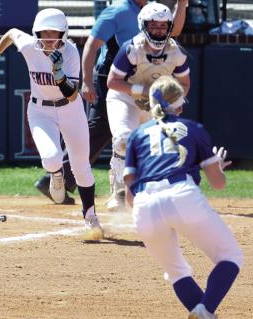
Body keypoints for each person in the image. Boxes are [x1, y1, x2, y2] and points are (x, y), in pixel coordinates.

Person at [33, 0, 188, 207]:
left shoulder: (151, 12)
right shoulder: (116, 11)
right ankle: (59, 177)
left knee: (112, 134)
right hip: (112, 78)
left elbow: (173, 31)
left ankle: (69, 179)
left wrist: (182, 4)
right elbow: (92, 45)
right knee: (99, 130)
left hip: (139, 80)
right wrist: (87, 81)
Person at [123, 75, 244, 319]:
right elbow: (218, 184)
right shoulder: (194, 128)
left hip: (144, 204)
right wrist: (216, 166)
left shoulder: (137, 135)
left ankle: (202, 312)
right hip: (182, 194)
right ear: (179, 104)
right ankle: (205, 310)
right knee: (230, 256)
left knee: (176, 271)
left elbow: (129, 196)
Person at [0, 8, 103, 239]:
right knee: (51, 158)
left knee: (81, 166)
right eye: (43, 32)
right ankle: (56, 175)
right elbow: (10, 33)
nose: (48, 38)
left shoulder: (70, 52)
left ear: (63, 34)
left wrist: (58, 73)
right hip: (40, 110)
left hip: (70, 109)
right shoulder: (31, 46)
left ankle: (90, 216)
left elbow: (71, 94)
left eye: (54, 32)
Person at [106, 1, 191, 211]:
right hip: (124, 98)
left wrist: (175, 100)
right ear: (143, 25)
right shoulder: (131, 48)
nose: (158, 30)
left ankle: (148, 197)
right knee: (123, 139)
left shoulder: (176, 53)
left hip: (156, 105)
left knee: (155, 151)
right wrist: (145, 92)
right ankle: (117, 193)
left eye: (163, 26)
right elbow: (113, 82)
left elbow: (185, 83)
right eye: (154, 25)